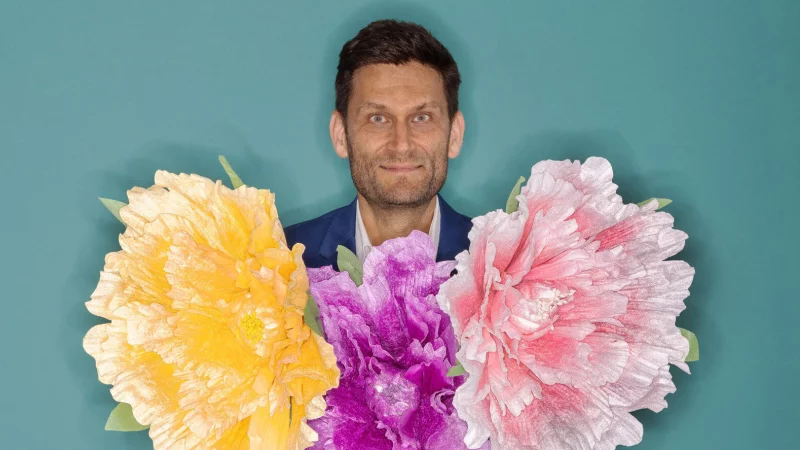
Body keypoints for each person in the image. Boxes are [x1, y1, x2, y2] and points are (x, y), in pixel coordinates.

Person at [285, 19, 471, 269]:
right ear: (340, 135)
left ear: (455, 135)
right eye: (378, 118)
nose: (401, 144)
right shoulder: (282, 262)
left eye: (421, 117)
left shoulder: (506, 269)